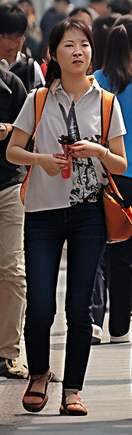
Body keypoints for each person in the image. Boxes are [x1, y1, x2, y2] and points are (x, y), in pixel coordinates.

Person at [7, 18, 127, 416]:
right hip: (42, 213)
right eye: (69, 45)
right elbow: (12, 151)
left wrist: (98, 152)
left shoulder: (107, 101)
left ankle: (72, 389)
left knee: (79, 308)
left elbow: (122, 163)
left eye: (85, 45)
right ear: (52, 54)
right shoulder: (38, 100)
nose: (78, 52)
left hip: (89, 213)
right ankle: (39, 374)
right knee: (41, 305)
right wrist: (40, 159)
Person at [91, 16, 132, 344]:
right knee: (125, 254)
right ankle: (120, 326)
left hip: (100, 174)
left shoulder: (94, 82)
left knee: (95, 250)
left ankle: (95, 319)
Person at [0, 53, 28, 379]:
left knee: (11, 270)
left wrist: (9, 130)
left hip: (9, 186)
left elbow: (30, 133)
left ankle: (8, 352)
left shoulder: (12, 85)